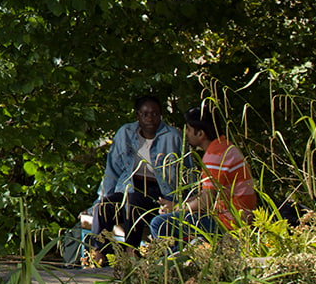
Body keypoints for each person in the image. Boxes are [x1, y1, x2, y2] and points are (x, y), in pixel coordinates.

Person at [88, 95, 187, 264]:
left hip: (160, 191)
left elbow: (186, 171)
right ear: (137, 116)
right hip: (129, 185)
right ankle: (98, 251)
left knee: (134, 200)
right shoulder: (126, 133)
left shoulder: (172, 136)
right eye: (145, 114)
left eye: (155, 114)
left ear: (161, 115)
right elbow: (112, 169)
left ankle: (130, 250)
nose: (150, 118)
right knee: (104, 205)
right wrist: (100, 198)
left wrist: (183, 202)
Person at [149, 109, 256, 241]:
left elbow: (206, 202)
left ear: (200, 134)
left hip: (228, 223)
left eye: (188, 129)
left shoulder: (215, 156)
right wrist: (179, 206)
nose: (186, 133)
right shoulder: (225, 147)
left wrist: (176, 209)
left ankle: (177, 260)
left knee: (159, 224)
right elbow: (207, 193)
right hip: (234, 218)